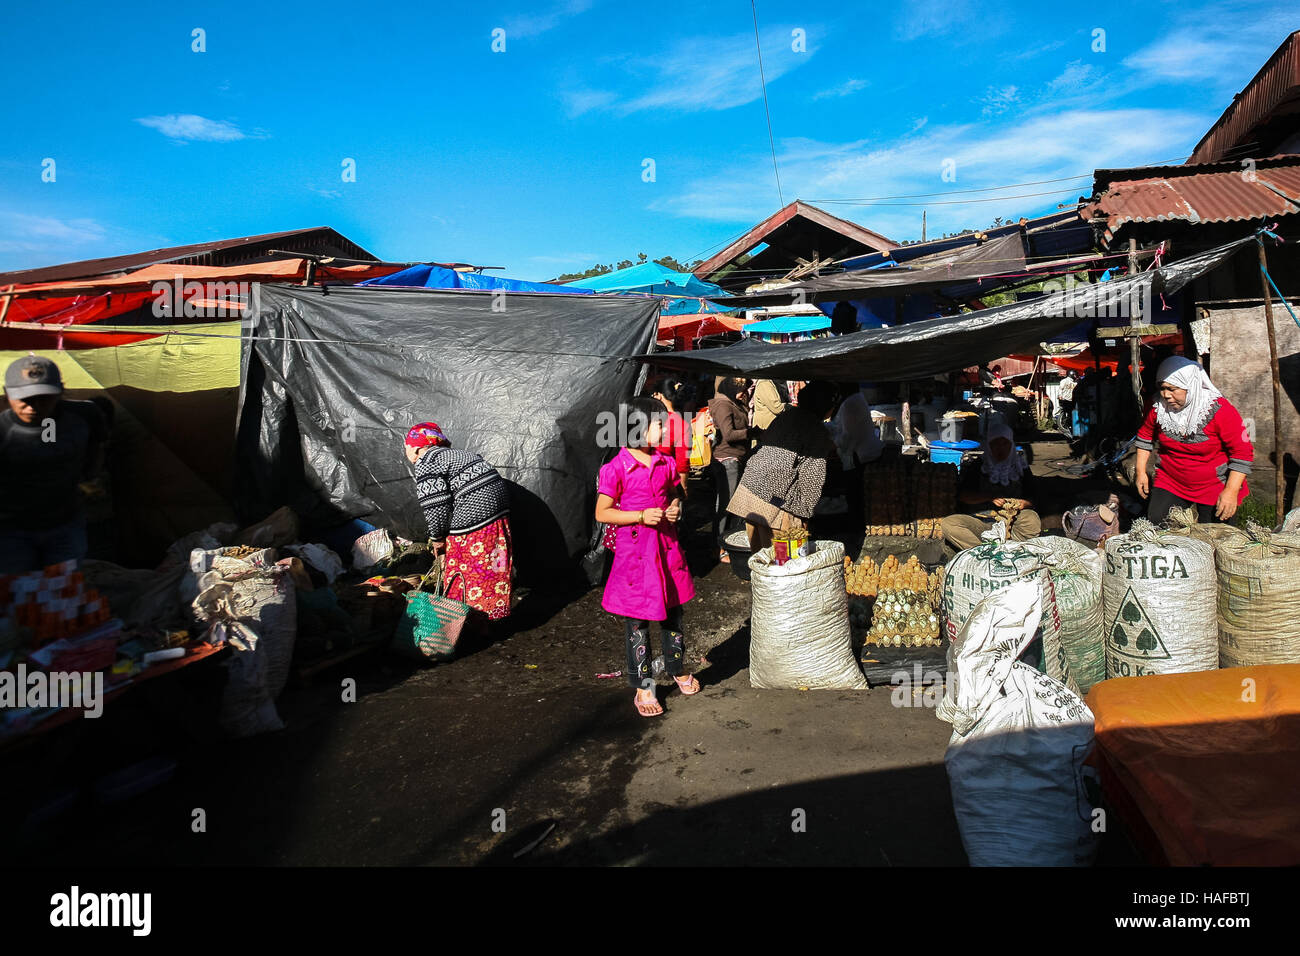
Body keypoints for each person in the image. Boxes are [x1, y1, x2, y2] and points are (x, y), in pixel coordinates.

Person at [595, 397, 698, 717]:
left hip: (666, 551)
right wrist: (639, 515)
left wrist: (675, 507)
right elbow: (602, 512)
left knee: (673, 614)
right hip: (635, 559)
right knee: (637, 623)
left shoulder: (666, 464)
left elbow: (677, 495)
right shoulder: (616, 468)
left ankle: (678, 668)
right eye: (659, 425)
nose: (666, 429)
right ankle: (644, 686)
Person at [0, 356, 108, 573]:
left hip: (65, 526)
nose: (34, 406)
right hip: (11, 531)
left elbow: (97, 444)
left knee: (61, 593)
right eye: (25, 398)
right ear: (7, 392)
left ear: (60, 391)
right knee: (17, 596)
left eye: (44, 398)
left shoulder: (85, 416)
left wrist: (89, 476)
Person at [405, 421, 513, 621]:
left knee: (463, 572)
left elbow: (436, 506)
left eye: (406, 447)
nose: (407, 452)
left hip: (475, 519)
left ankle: (463, 620)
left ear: (417, 447)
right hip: (499, 517)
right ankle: (495, 616)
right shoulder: (461, 454)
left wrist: (437, 538)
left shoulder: (426, 461)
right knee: (492, 568)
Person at [1135, 356, 1253, 524]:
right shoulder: (1156, 407)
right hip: (1171, 480)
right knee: (1159, 524)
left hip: (1214, 484)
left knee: (1216, 537)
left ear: (1191, 386)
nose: (1166, 395)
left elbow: (1242, 453)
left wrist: (1231, 491)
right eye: (1162, 388)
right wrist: (1140, 472)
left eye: (1172, 389)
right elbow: (1145, 437)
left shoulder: (1220, 410)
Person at [727, 381, 839, 552]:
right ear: (827, 407)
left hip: (749, 489)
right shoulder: (817, 431)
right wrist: (805, 514)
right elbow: (811, 477)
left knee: (761, 558)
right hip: (776, 501)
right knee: (786, 563)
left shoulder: (785, 416)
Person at [941, 423, 1041, 553]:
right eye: (996, 444)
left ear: (1011, 445)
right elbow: (963, 496)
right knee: (949, 524)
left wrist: (1024, 503)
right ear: (988, 445)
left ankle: (1017, 550)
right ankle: (986, 553)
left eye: (1005, 444)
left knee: (1032, 519)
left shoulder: (1021, 467)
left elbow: (1034, 496)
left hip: (1013, 523)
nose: (1000, 449)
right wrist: (988, 497)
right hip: (982, 522)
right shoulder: (978, 466)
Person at [708, 377, 749, 561]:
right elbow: (729, 434)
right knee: (725, 504)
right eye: (740, 389)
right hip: (727, 459)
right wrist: (751, 432)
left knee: (729, 503)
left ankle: (723, 544)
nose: (743, 392)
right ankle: (719, 547)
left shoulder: (734, 402)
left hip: (734, 457)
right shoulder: (724, 405)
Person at [650, 378, 692, 480]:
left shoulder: (649, 420)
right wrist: (684, 491)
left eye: (653, 395)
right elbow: (682, 464)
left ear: (659, 396)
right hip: (665, 478)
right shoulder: (682, 424)